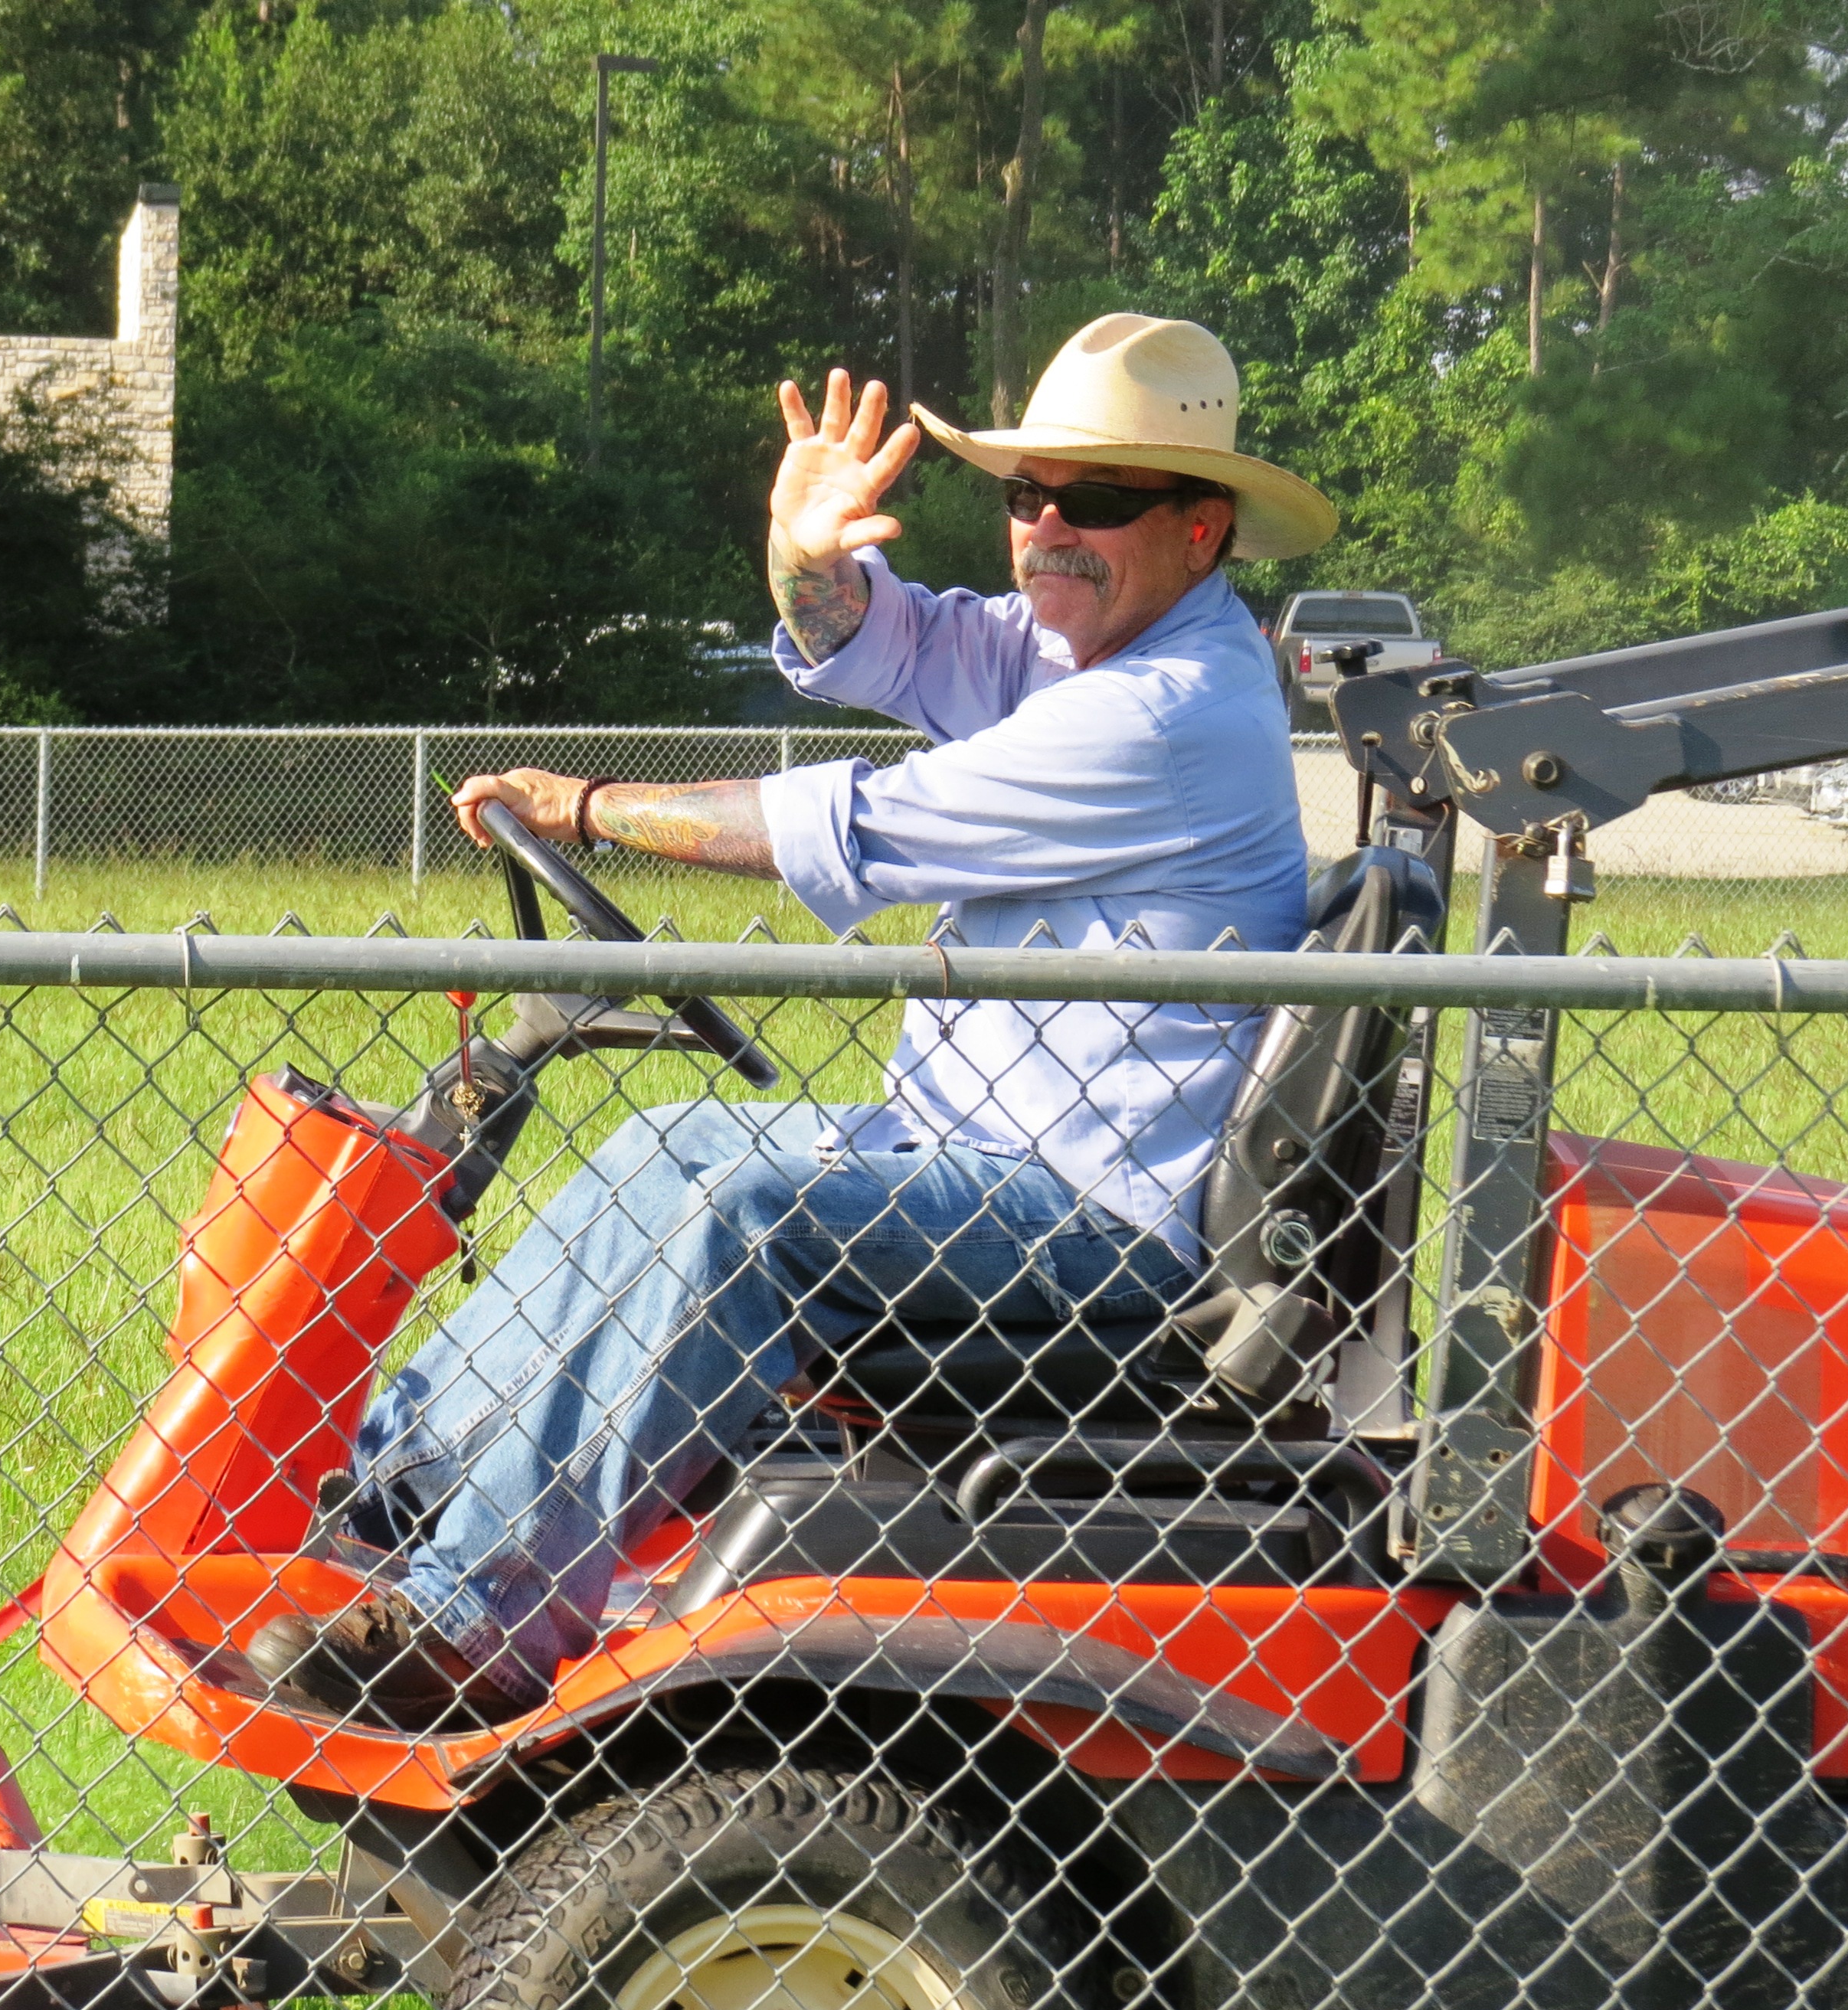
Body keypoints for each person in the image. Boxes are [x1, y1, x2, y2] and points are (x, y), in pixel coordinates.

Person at [250, 312, 1337, 1729]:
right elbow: (880, 640)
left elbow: (858, 824)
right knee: (669, 1148)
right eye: (1028, 496)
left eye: (1100, 502)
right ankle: (389, 1495)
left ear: (1203, 531)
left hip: (1087, 1216)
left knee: (741, 1206)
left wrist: (584, 812)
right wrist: (806, 554)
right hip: (962, 1156)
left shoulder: (1171, 711)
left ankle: (476, 1626)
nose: (1049, 530)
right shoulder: (1072, 654)